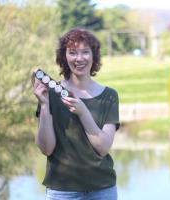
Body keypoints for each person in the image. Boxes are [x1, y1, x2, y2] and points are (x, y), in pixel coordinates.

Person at [32, 27, 120, 200]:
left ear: (94, 56)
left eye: (85, 52)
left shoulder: (109, 96)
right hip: (61, 191)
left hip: (102, 190)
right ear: (64, 57)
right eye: (72, 53)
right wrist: (44, 105)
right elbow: (46, 148)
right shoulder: (50, 93)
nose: (79, 58)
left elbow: (103, 148)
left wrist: (82, 112)